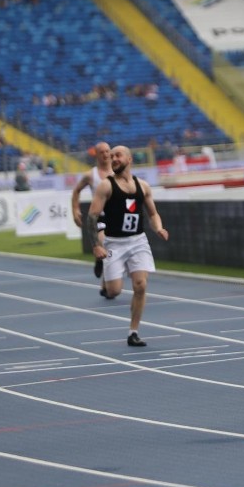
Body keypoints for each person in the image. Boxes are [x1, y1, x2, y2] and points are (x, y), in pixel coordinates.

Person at [86, 145, 169, 347]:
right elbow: (92, 216)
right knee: (114, 291)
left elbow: (152, 213)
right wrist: (96, 244)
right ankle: (103, 269)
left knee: (140, 285)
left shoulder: (143, 186)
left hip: (138, 240)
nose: (113, 158)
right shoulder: (106, 186)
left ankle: (133, 332)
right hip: (115, 242)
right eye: (111, 156)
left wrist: (158, 227)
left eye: (117, 155)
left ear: (129, 159)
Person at [72, 141, 112, 282]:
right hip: (99, 217)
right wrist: (75, 210)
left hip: (116, 217)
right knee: (104, 242)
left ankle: (106, 281)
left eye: (108, 151)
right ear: (96, 155)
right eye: (102, 152)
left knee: (115, 251)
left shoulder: (117, 171)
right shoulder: (91, 175)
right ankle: (101, 261)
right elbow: (76, 190)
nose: (106, 154)